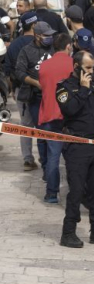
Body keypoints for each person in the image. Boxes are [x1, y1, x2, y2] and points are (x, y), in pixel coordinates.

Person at [56, 50, 94, 249]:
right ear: (76, 66)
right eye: (88, 67)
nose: (91, 71)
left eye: (92, 67)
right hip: (77, 147)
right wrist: (83, 89)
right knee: (76, 191)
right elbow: (70, 110)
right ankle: (68, 233)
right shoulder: (64, 88)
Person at [37, 33, 74, 204]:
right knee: (74, 157)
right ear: (68, 47)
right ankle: (76, 191)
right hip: (70, 116)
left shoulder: (44, 65)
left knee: (53, 156)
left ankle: (52, 193)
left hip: (49, 115)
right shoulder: (73, 64)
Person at [16, 21, 55, 174]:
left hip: (54, 98)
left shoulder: (54, 48)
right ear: (38, 36)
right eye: (47, 35)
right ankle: (44, 164)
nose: (50, 38)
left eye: (51, 35)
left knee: (53, 131)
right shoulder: (26, 51)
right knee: (40, 132)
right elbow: (19, 73)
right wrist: (36, 83)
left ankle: (50, 162)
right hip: (36, 98)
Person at [5, 11, 38, 170]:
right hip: (40, 90)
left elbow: (9, 70)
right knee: (42, 125)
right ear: (33, 25)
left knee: (26, 126)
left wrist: (12, 89)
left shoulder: (14, 45)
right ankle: (45, 160)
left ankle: (28, 159)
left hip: (20, 91)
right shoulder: (40, 42)